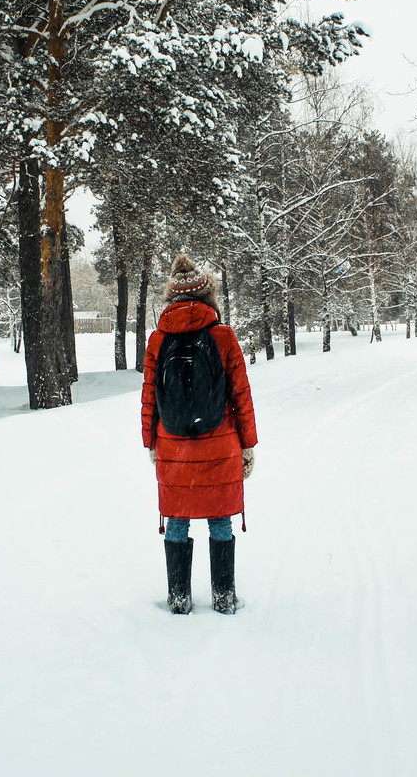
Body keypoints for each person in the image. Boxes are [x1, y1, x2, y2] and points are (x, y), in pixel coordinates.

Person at [141, 254, 257, 614]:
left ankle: (179, 598)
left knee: (177, 519)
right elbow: (241, 393)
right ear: (208, 296)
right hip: (220, 443)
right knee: (219, 517)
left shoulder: (158, 339)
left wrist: (151, 442)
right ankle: (223, 598)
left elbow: (149, 396)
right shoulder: (223, 336)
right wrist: (248, 445)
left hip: (173, 446)